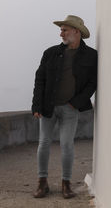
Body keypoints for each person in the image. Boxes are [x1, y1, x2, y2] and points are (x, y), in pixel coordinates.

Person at [31, 15, 97, 198]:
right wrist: (36, 105)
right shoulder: (50, 53)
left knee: (67, 145)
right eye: (61, 30)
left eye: (64, 30)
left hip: (70, 108)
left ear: (76, 32)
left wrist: (76, 102)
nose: (61, 34)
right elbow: (40, 79)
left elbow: (93, 82)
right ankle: (42, 183)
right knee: (43, 144)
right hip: (48, 107)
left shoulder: (91, 55)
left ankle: (66, 184)